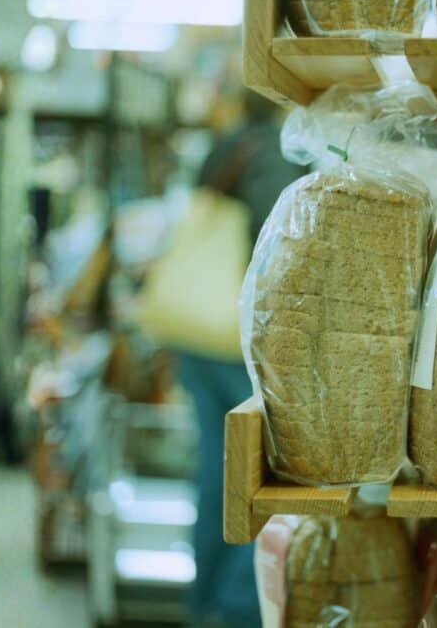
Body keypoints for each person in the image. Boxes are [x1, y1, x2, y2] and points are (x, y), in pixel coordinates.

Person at [176, 91, 302, 628]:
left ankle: (203, 600)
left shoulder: (223, 147)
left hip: (196, 333)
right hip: (237, 338)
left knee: (214, 470)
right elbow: (280, 248)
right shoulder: (276, 153)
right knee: (253, 476)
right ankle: (236, 608)